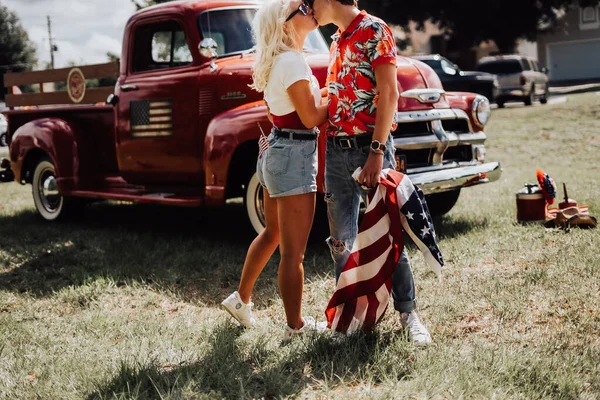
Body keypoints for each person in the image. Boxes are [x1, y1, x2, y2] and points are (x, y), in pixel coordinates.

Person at [310, 0, 433, 346]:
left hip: (371, 148)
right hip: (336, 150)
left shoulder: (375, 30)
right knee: (340, 242)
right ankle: (351, 317)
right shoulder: (336, 40)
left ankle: (409, 314)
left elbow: (390, 92)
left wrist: (377, 153)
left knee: (389, 233)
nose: (309, 7)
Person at [221, 0, 328, 341]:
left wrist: (322, 96)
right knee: (293, 252)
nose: (310, 8)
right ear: (286, 24)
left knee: (272, 234)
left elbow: (283, 110)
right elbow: (311, 118)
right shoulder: (293, 62)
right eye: (303, 6)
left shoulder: (277, 62)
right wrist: (342, 97)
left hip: (274, 150)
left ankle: (240, 299)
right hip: (294, 155)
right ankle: (296, 326)